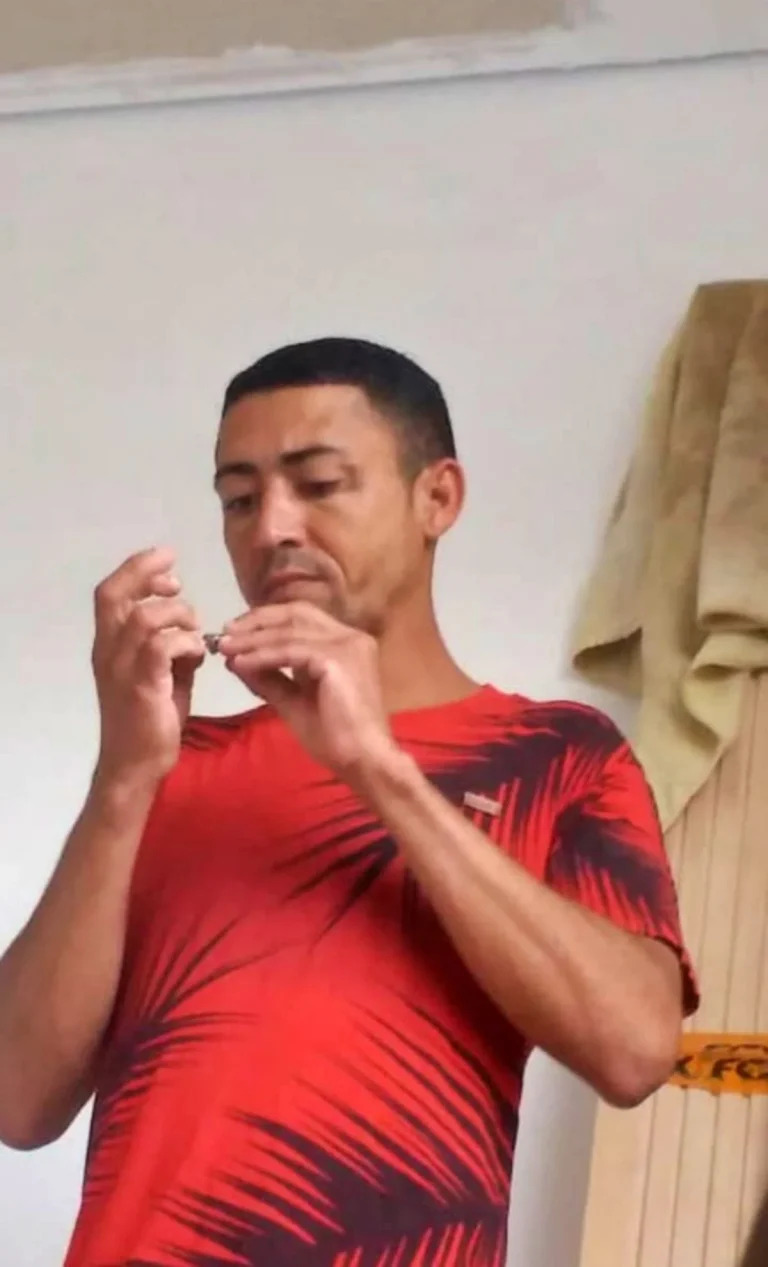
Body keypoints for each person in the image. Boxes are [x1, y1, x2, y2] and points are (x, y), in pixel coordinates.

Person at [0, 338, 697, 1266]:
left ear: (437, 497)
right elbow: (18, 1099)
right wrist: (122, 779)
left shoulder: (558, 755)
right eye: (239, 499)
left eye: (319, 484)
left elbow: (636, 1049)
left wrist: (378, 768)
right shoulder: (166, 766)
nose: (272, 528)